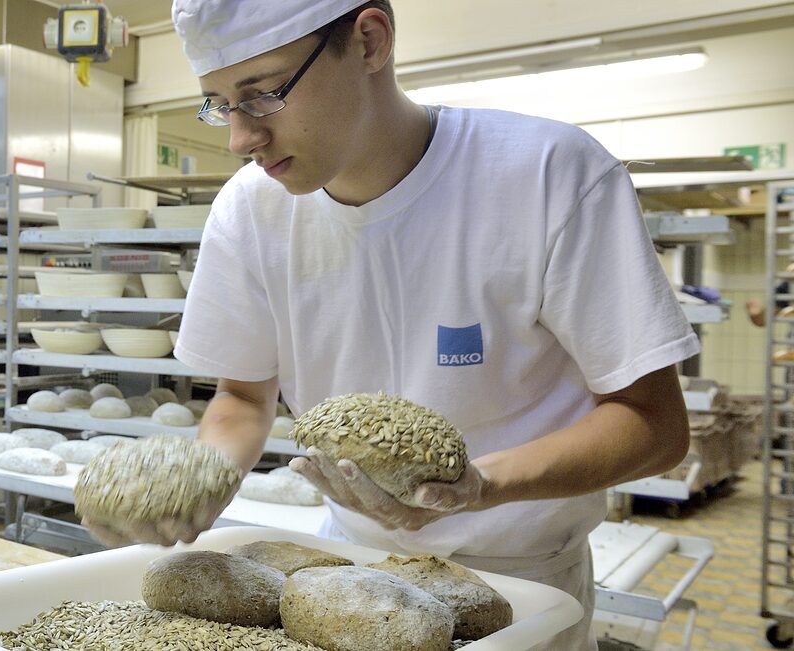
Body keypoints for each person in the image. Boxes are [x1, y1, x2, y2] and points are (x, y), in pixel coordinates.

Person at [88, 2, 698, 648]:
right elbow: (242, 398)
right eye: (217, 104)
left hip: (525, 584)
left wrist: (479, 487)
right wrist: (193, 485)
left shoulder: (548, 175)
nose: (240, 137)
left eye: (263, 95)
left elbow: (654, 425)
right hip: (345, 578)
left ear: (370, 41)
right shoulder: (249, 212)